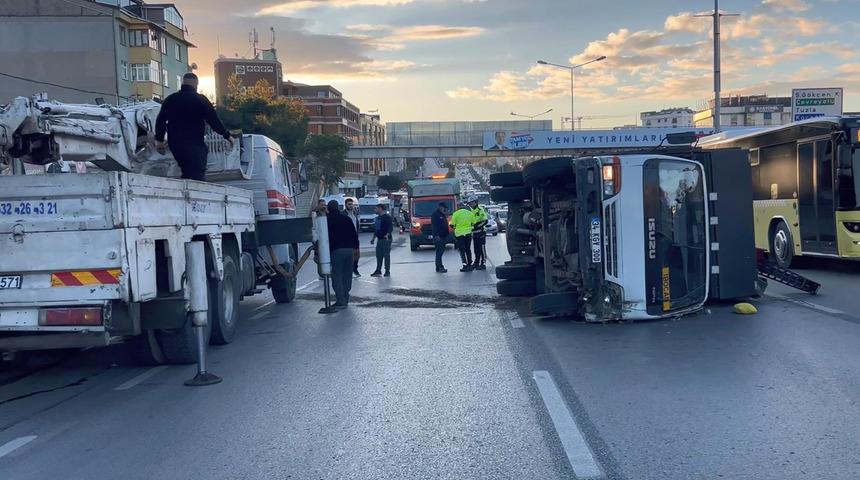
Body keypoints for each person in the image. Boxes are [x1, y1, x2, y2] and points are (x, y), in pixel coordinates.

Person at [154, 73, 232, 181]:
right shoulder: (200, 100)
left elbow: (160, 121)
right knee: (197, 176)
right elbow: (214, 121)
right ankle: (196, 195)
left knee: (186, 171)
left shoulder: (171, 99)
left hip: (176, 145)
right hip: (195, 145)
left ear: (183, 83)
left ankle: (187, 189)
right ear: (196, 84)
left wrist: (159, 141)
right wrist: (227, 135)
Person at [325, 200, 360, 309]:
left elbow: (323, 238)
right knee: (347, 274)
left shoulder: (327, 220)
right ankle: (346, 296)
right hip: (349, 250)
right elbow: (354, 234)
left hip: (336, 250)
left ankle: (341, 300)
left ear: (328, 209)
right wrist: (356, 249)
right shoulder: (346, 219)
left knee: (337, 276)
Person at [450, 196, 475, 272]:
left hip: (460, 235)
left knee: (462, 250)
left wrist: (455, 227)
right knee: (468, 249)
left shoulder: (455, 214)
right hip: (468, 233)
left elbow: (451, 224)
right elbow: (473, 222)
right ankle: (470, 264)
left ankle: (464, 264)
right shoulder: (469, 213)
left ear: (458, 207)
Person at [370, 203, 393, 277]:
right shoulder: (377, 218)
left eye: (376, 208)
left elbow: (390, 228)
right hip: (379, 239)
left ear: (380, 208)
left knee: (386, 255)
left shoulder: (387, 217)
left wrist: (387, 235)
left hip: (386, 239)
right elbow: (376, 229)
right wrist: (373, 238)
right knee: (378, 255)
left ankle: (387, 271)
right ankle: (378, 270)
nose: (375, 210)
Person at [470, 197, 489, 270]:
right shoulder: (471, 211)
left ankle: (483, 262)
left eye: (471, 202)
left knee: (482, 248)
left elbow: (485, 221)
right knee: (476, 249)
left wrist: (478, 226)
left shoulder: (480, 209)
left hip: (481, 232)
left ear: (475, 202)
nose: (470, 204)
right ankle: (476, 261)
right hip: (474, 233)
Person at [431, 202, 450, 273]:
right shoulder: (435, 215)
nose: (445, 209)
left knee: (439, 252)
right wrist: (436, 235)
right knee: (439, 252)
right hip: (439, 237)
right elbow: (435, 227)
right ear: (440, 207)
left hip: (443, 236)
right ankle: (440, 267)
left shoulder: (441, 214)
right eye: (444, 208)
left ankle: (438, 267)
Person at [344, 198, 361, 277]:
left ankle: (355, 269)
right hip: (347, 238)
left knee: (357, 254)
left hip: (355, 237)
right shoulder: (344, 215)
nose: (351, 206)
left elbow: (356, 225)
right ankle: (349, 270)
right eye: (349, 204)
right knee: (349, 255)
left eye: (352, 204)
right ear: (346, 205)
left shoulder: (354, 214)